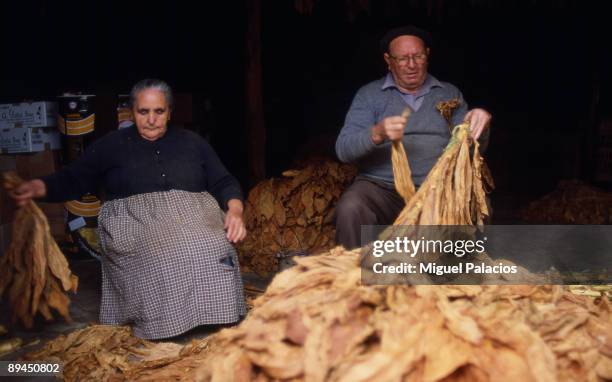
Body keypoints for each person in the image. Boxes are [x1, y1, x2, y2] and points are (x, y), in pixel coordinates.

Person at [10, 79, 247, 340]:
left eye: (159, 111)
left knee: (214, 245)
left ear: (169, 111)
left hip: (194, 216)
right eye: (143, 112)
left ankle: (214, 314)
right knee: (165, 253)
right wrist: (37, 187)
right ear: (132, 112)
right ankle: (163, 325)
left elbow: (223, 181)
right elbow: (73, 179)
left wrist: (235, 210)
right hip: (136, 221)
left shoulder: (193, 142)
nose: (152, 119)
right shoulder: (111, 146)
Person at [335, 25, 492, 249]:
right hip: (383, 188)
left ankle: (459, 276)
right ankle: (356, 277)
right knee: (351, 207)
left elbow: (469, 149)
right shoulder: (369, 95)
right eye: (402, 58)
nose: (411, 65)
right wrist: (377, 133)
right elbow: (344, 150)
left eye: (417, 56)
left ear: (427, 54)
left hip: (438, 188)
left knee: (477, 205)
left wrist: (480, 124)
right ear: (388, 60)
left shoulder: (448, 93)